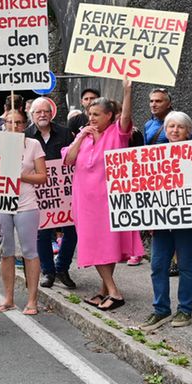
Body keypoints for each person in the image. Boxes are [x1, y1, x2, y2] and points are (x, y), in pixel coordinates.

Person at [63, 80, 140, 311]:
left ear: (109, 115)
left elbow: (126, 117)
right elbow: (68, 160)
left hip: (108, 199)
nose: (92, 118)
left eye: (97, 114)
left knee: (106, 245)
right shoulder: (83, 136)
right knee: (94, 244)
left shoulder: (118, 133)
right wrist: (79, 137)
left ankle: (113, 291)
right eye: (89, 113)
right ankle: (106, 289)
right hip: (84, 201)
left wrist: (127, 91)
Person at [140, 111, 192, 330]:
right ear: (165, 129)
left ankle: (185, 310)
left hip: (188, 219)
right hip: (162, 220)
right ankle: (161, 309)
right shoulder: (153, 155)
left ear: (188, 131)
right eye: (170, 126)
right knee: (157, 265)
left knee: (185, 264)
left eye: (179, 127)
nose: (174, 130)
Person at [0, 110, 47, 315]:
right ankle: (8, 298)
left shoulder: (33, 145)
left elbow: (42, 177)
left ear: (25, 125)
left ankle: (32, 300)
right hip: (2, 204)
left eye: (18, 123)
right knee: (6, 252)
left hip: (26, 204)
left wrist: (21, 176)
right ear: (4, 124)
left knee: (29, 252)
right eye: (10, 122)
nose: (14, 126)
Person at [26, 97, 78, 289]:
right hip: (39, 194)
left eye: (46, 111)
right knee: (41, 234)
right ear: (32, 115)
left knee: (72, 232)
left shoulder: (65, 133)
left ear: (51, 113)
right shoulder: (25, 136)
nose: (42, 115)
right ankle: (48, 272)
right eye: (38, 112)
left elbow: (74, 158)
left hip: (64, 194)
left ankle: (62, 267)